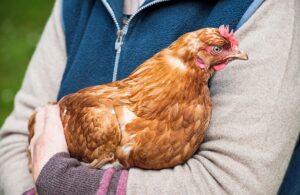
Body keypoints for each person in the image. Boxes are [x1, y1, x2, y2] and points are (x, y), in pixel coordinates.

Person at [0, 0, 299, 194]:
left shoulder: (265, 6)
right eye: (221, 50)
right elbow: (16, 140)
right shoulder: (76, 4)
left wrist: (59, 180)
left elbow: (229, 186)